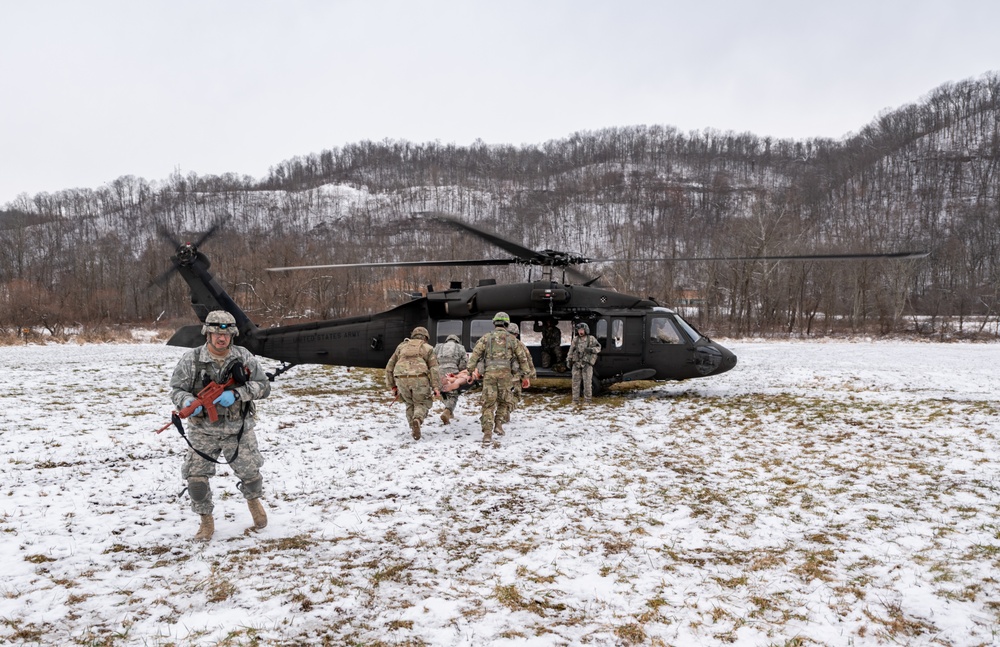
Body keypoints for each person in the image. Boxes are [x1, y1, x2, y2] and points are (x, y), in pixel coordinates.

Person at [169, 310, 272, 542]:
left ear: (232, 335)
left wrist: (238, 393)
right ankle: (206, 521)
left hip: (238, 430)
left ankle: (254, 502)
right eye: (215, 333)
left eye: (225, 335)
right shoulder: (192, 359)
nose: (221, 338)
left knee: (251, 474)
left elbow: (264, 387)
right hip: (202, 431)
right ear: (207, 334)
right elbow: (176, 388)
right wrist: (185, 401)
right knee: (195, 479)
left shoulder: (243, 356)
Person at [467, 312, 531, 446]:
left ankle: (487, 433)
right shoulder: (512, 340)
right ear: (506, 324)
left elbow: (475, 356)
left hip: (489, 376)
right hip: (506, 377)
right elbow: (522, 358)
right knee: (504, 402)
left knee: (488, 404)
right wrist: (525, 376)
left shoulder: (486, 338)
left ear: (494, 323)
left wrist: (470, 372)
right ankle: (498, 423)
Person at [385, 326, 441, 440]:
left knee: (409, 403)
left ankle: (413, 427)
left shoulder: (401, 347)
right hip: (419, 378)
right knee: (422, 402)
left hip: (400, 378)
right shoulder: (428, 348)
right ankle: (417, 420)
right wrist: (436, 387)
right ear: (426, 337)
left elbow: (389, 367)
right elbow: (434, 369)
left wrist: (392, 386)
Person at [433, 333, 468, 424]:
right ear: (457, 340)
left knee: (443, 391)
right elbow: (464, 362)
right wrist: (460, 371)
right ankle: (447, 411)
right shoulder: (460, 347)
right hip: (453, 372)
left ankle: (449, 412)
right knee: (453, 394)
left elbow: (432, 360)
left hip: (440, 371)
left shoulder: (438, 347)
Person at [566, 321, 601, 404]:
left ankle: (587, 401)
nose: (580, 332)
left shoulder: (591, 339)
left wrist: (591, 350)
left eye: (582, 330)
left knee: (587, 383)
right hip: (576, 364)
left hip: (587, 364)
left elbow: (598, 348)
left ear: (585, 330)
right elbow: (571, 350)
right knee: (575, 383)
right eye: (579, 330)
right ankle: (575, 400)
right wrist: (568, 359)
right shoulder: (575, 339)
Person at [505, 322, 535, 411]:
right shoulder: (519, 344)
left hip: (499, 376)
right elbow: (527, 359)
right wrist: (528, 375)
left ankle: (504, 413)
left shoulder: (498, 343)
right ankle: (507, 411)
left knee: (502, 396)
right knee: (516, 395)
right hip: (515, 377)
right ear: (517, 334)